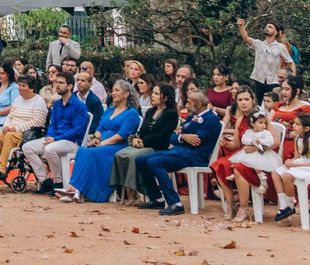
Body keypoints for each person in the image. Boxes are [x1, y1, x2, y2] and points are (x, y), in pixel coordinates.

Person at [144, 86, 223, 215]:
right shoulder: (192, 116)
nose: (186, 105)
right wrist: (183, 136)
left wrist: (181, 135)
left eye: (189, 102)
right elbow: (172, 137)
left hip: (194, 156)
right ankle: (156, 198)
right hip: (180, 152)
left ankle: (175, 203)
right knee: (141, 160)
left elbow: (196, 141)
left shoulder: (211, 119)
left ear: (198, 104)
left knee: (155, 162)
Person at [64, 82, 139, 203]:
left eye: (117, 90)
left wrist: (104, 143)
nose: (113, 93)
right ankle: (76, 186)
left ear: (126, 94)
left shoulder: (132, 113)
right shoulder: (109, 110)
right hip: (102, 142)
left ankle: (80, 188)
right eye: (112, 90)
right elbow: (100, 128)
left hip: (118, 145)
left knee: (91, 152)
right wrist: (96, 139)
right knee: (83, 149)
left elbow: (122, 135)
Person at [22, 67, 92, 193]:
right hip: (55, 139)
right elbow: (52, 125)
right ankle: (45, 180)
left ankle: (58, 182)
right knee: (27, 147)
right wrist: (49, 137)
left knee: (50, 149)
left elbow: (77, 130)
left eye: (61, 83)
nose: (57, 85)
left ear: (70, 86)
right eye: (56, 83)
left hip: (72, 142)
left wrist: (55, 139)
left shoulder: (79, 106)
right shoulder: (57, 104)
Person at [238, 17, 291, 102]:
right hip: (259, 79)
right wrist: (241, 27)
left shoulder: (280, 47)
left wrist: (286, 75)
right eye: (266, 26)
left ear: (275, 32)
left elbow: (289, 61)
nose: (266, 28)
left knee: (273, 103)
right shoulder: (259, 44)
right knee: (259, 103)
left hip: (273, 80)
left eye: (270, 27)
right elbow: (246, 38)